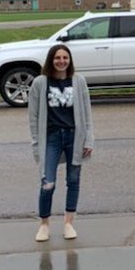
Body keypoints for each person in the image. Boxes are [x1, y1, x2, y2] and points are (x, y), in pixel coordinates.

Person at [28, 43, 94, 242]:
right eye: (57, 58)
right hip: (51, 138)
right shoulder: (40, 83)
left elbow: (87, 113)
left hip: (75, 136)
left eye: (65, 57)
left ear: (70, 60)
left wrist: (88, 140)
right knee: (47, 182)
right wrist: (36, 144)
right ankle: (44, 224)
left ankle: (68, 223)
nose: (61, 61)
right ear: (51, 60)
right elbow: (33, 117)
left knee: (73, 180)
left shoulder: (78, 81)